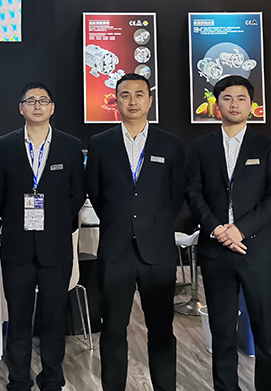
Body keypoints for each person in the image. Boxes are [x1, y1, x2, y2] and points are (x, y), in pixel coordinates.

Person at [185, 74, 271, 391]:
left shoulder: (269, 147)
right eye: (227, 98)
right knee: (222, 332)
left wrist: (240, 230)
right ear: (217, 105)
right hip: (216, 251)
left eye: (241, 98)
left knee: (267, 332)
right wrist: (217, 229)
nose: (234, 104)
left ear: (252, 105)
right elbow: (193, 193)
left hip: (258, 251)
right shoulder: (201, 146)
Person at [85, 73, 186, 391]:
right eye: (125, 95)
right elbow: (95, 192)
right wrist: (120, 220)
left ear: (149, 101)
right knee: (113, 329)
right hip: (116, 249)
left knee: (161, 329)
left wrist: (151, 223)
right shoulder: (101, 143)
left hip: (157, 250)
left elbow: (176, 194)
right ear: (116, 101)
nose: (132, 101)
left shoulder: (170, 144)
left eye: (139, 94)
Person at [0, 82, 85, 391]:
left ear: (52, 108)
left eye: (43, 101)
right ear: (21, 108)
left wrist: (55, 221)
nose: (37, 105)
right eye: (30, 101)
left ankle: (52, 379)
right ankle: (18, 381)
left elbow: (77, 192)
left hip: (55, 247)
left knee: (53, 320)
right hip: (17, 247)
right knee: (18, 321)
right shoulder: (4, 145)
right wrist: (13, 220)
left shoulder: (70, 146)